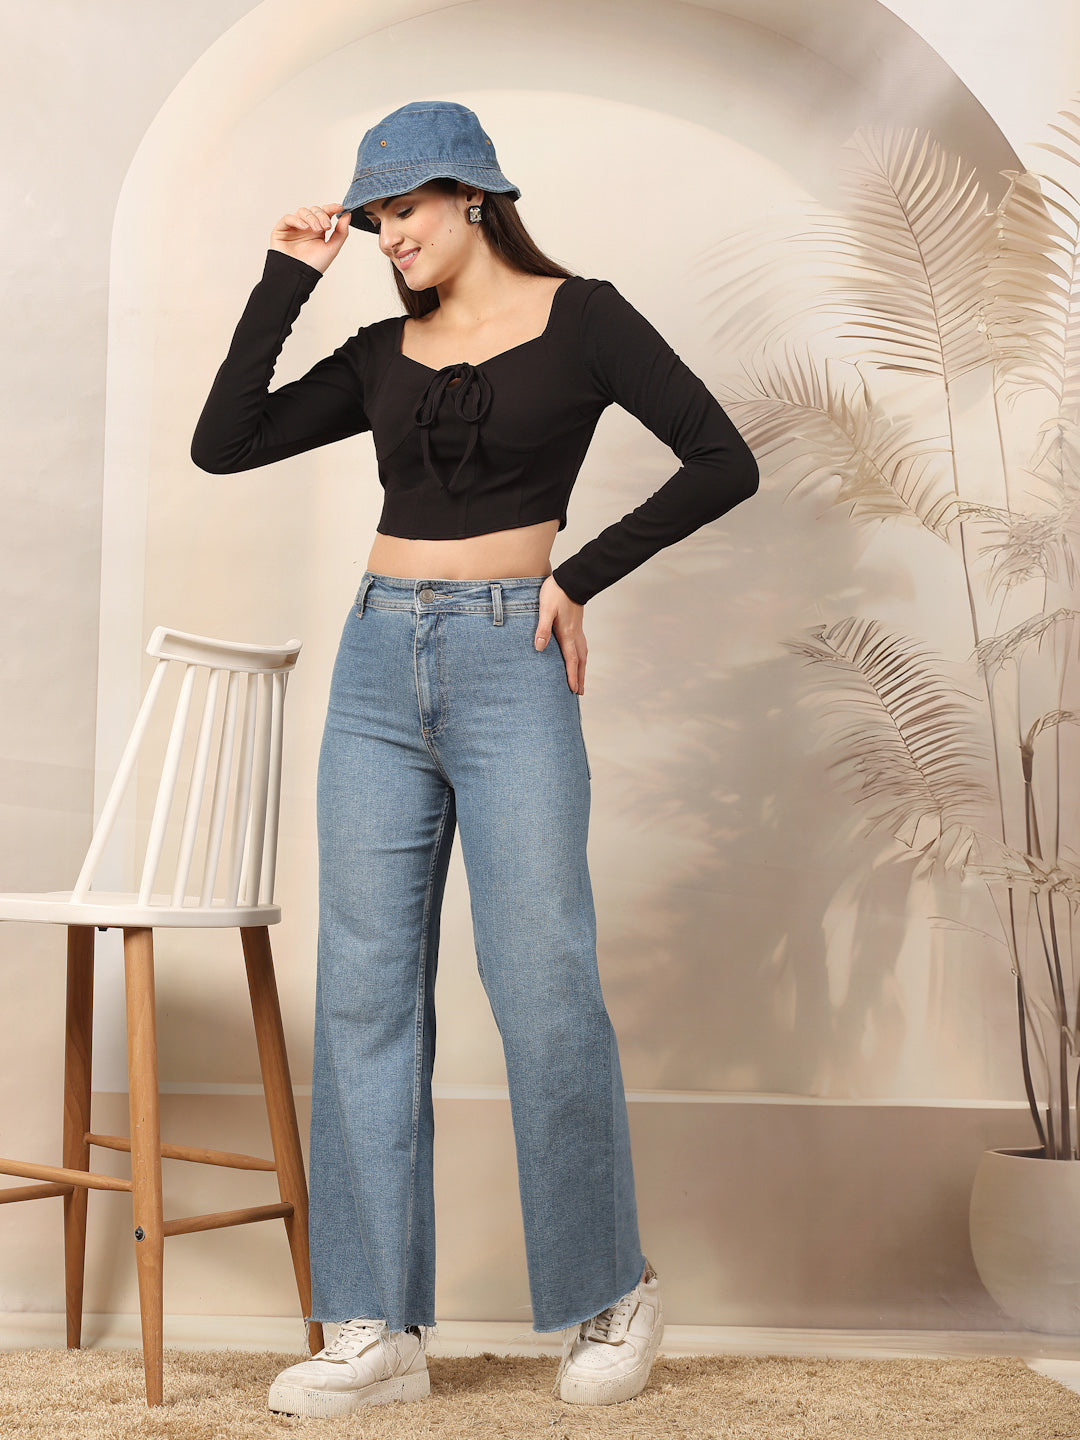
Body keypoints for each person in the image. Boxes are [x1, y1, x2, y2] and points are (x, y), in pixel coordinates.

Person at [191, 99, 758, 1418]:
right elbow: (225, 443)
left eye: (405, 210)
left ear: (473, 198)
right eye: (374, 214)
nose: (389, 234)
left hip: (513, 662)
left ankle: (612, 1291)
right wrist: (289, 274)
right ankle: (374, 1325)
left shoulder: (587, 317)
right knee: (368, 993)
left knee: (544, 979)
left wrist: (581, 578)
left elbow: (722, 459)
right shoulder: (383, 349)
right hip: (380, 662)